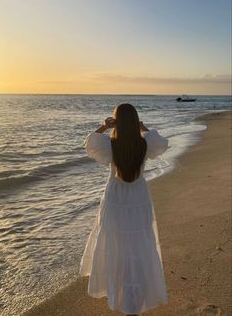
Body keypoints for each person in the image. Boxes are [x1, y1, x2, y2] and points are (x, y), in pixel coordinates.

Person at [79, 103, 169, 315]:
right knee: (139, 247)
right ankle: (134, 302)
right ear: (135, 121)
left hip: (116, 200)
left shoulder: (111, 145)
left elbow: (89, 144)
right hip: (138, 200)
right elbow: (162, 143)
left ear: (116, 122)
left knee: (117, 247)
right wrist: (144, 128)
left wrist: (103, 127)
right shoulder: (144, 143)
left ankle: (121, 294)